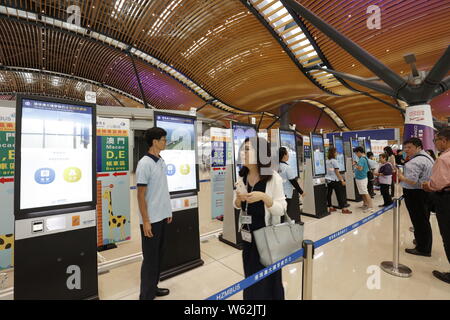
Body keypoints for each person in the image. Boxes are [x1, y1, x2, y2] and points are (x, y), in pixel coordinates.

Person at [234, 137, 286, 300]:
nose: (243, 152)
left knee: (268, 281)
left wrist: (264, 197)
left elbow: (282, 208)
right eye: (243, 149)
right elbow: (236, 205)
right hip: (248, 238)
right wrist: (238, 200)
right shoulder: (242, 177)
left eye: (248, 149)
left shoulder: (273, 178)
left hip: (267, 239)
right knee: (251, 278)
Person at [136, 127, 172, 300]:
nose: (166, 142)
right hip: (151, 220)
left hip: (162, 216)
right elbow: (140, 195)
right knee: (150, 259)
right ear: (154, 142)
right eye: (163, 139)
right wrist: (146, 221)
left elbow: (162, 190)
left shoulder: (161, 160)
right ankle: (146, 295)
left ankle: (154, 287)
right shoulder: (145, 163)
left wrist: (168, 210)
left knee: (159, 256)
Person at [397, 137, 434, 257]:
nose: (406, 150)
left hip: (415, 194)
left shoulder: (415, 162)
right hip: (425, 193)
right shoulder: (428, 157)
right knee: (423, 219)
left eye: (409, 147)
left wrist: (402, 177)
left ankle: (423, 248)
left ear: (418, 147)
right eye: (405, 147)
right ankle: (422, 241)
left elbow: (412, 181)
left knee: (419, 220)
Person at [422, 128, 450, 284]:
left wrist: (427, 185)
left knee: (448, 235)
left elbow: (436, 183)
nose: (435, 144)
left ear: (444, 140)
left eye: (436, 140)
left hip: (446, 199)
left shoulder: (444, 158)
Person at [278, 147, 304, 222]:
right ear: (284, 155)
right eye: (287, 153)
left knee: (280, 214)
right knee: (284, 213)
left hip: (279, 194)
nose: (288, 155)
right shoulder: (287, 167)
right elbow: (293, 181)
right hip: (286, 194)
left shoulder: (276, 166)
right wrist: (301, 192)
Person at [325, 147, 352, 214]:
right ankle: (344, 208)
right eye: (336, 152)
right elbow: (337, 172)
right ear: (333, 153)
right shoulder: (334, 161)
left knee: (329, 193)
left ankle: (330, 207)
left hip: (328, 179)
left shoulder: (327, 161)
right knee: (340, 194)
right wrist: (342, 180)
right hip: (335, 180)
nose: (336, 153)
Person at [353, 146, 373, 212]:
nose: (356, 154)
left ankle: (370, 206)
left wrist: (354, 165)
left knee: (365, 192)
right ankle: (365, 204)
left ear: (359, 152)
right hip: (360, 177)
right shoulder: (364, 157)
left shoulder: (362, 159)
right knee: (362, 192)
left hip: (361, 178)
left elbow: (360, 168)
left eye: (356, 153)